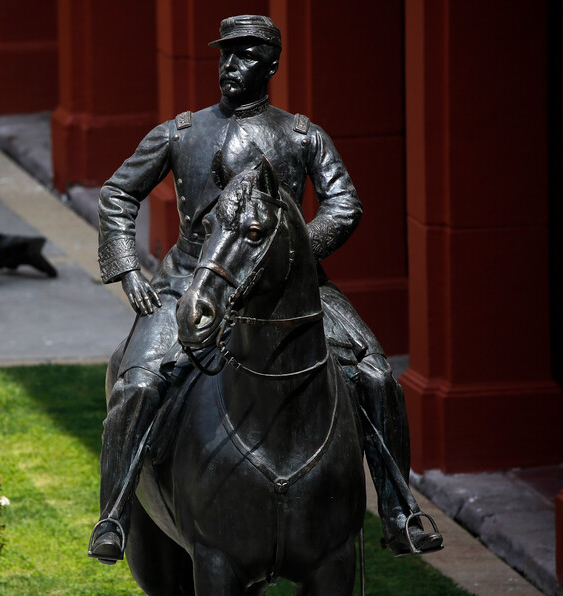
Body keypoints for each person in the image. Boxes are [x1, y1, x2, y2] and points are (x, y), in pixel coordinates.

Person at [89, 14, 442, 565]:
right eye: (225, 55)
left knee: (374, 373)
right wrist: (129, 269)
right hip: (190, 280)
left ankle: (400, 509)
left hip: (291, 290)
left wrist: (291, 260)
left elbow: (345, 203)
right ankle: (112, 516)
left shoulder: (302, 136)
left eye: (246, 56)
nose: (230, 66)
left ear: (272, 65)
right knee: (136, 385)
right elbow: (116, 194)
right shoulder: (180, 132)